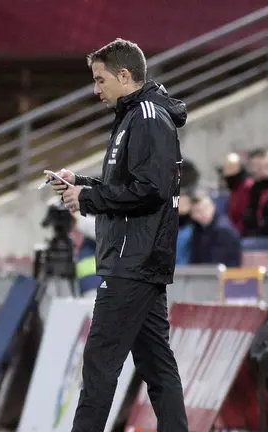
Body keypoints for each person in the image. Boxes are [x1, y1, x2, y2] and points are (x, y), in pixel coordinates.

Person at [50, 38, 188, 432]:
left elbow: (151, 190)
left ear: (124, 75)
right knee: (156, 365)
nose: (96, 90)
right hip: (137, 257)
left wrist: (89, 198)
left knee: (99, 364)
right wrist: (81, 183)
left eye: (100, 80)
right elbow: (132, 185)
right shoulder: (137, 115)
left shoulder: (145, 117)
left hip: (133, 259)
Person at [188, 192, 242, 267]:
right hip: (204, 273)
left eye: (205, 208)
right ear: (192, 215)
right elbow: (195, 259)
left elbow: (216, 263)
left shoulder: (224, 230)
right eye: (197, 211)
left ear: (213, 207)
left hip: (226, 275)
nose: (203, 213)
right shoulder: (197, 229)